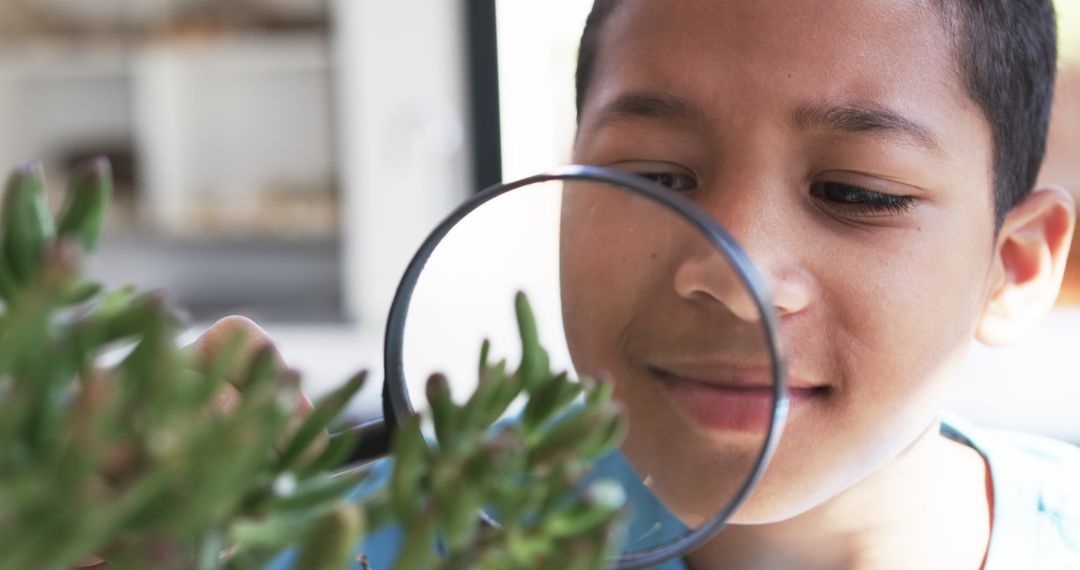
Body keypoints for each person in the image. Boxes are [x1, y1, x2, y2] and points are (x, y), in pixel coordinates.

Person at [277, 0, 1079, 568]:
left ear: (1015, 266)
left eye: (857, 193)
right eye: (655, 177)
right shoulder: (347, 539)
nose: (734, 278)